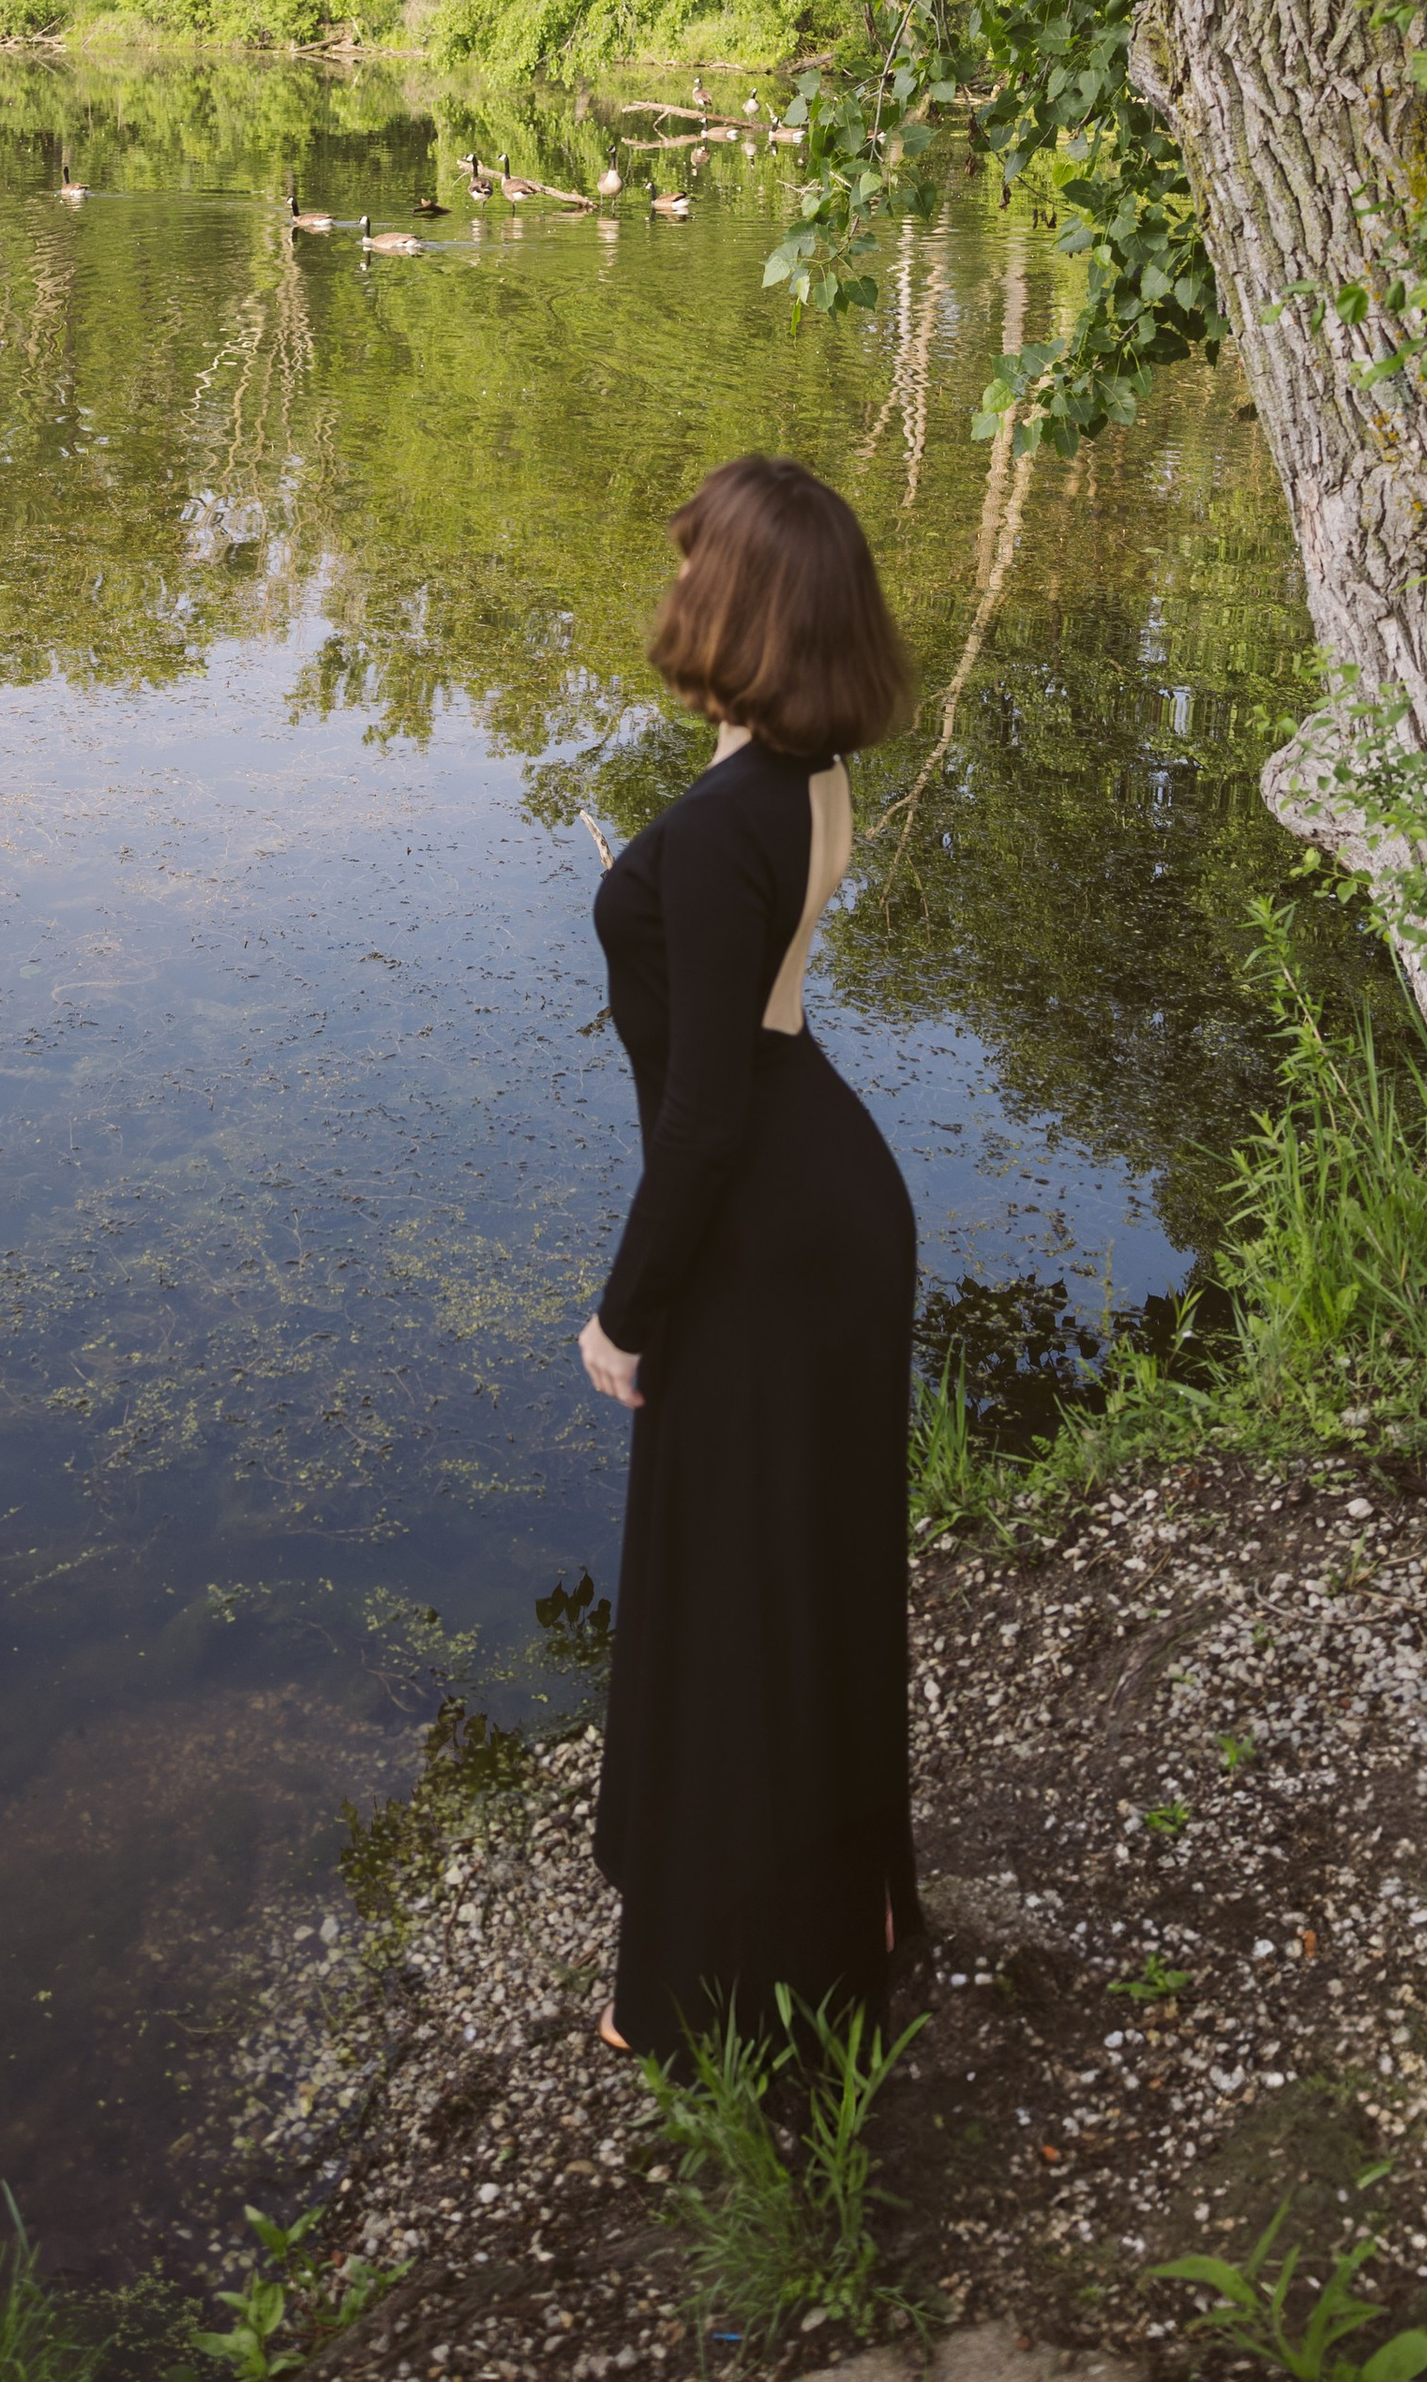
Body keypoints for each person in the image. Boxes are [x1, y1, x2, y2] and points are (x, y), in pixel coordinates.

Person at [579, 452, 921, 2063]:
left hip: (766, 1234)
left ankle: (712, 1999)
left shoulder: (727, 821)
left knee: (739, 1600)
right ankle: (836, 1918)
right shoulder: (798, 774)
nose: (673, 585)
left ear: (743, 604)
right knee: (810, 1579)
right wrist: (645, 899)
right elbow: (746, 981)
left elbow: (704, 1117)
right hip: (830, 1196)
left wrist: (621, 1315)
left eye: (692, 562)